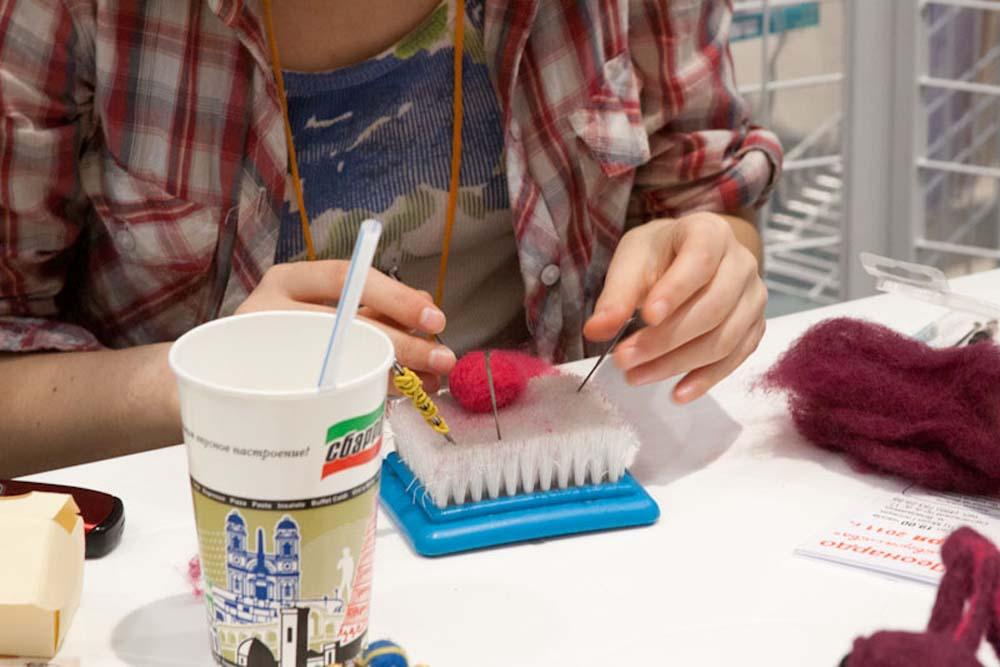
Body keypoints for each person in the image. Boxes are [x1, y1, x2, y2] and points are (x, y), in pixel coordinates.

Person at [0, 0, 781, 476]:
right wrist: (212, 381)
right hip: (224, 543)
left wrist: (713, 262)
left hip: (553, 498)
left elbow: (706, 197)